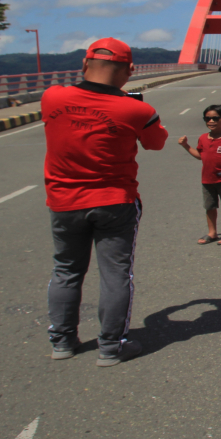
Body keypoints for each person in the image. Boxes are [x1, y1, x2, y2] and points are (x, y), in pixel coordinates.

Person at [43, 37, 168, 367]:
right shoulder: (138, 110)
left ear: (84, 65)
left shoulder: (50, 97)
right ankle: (111, 347)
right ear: (130, 70)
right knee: (115, 275)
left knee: (66, 270)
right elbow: (156, 143)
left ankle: (62, 342)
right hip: (115, 202)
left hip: (63, 202)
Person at [178, 105, 221, 246]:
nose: (211, 121)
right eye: (208, 118)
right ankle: (212, 232)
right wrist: (186, 146)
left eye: (215, 118)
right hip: (207, 179)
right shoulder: (203, 138)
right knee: (210, 206)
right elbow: (200, 156)